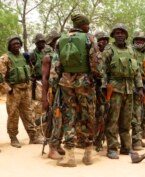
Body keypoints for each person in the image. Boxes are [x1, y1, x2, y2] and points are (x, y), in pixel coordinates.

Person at [56, 14, 99, 167]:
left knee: (69, 116)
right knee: (88, 115)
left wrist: (61, 80)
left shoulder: (60, 39)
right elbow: (95, 62)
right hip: (85, 83)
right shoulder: (89, 38)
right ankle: (87, 154)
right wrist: (96, 77)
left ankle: (70, 157)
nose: (89, 27)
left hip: (66, 83)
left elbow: (57, 65)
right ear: (82, 25)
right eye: (88, 24)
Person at [101, 23, 144, 159]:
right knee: (113, 120)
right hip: (114, 89)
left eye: (122, 32)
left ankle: (126, 147)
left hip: (129, 89)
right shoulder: (109, 50)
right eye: (117, 33)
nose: (120, 35)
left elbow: (137, 70)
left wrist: (140, 87)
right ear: (113, 35)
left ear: (126, 35)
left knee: (127, 120)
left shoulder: (131, 51)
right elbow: (103, 70)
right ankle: (112, 148)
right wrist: (103, 88)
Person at [0, 36, 43, 148]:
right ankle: (13, 137)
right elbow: (1, 76)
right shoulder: (5, 58)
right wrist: (8, 89)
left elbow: (30, 70)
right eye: (14, 44)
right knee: (13, 114)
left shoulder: (24, 56)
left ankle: (33, 136)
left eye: (18, 44)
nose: (17, 46)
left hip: (25, 88)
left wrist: (29, 61)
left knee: (28, 113)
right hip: (14, 90)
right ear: (10, 46)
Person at [41, 30, 66, 160]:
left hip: (64, 91)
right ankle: (52, 147)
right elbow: (44, 78)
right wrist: (44, 98)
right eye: (56, 41)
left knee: (63, 119)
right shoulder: (48, 57)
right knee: (56, 119)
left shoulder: (63, 55)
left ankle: (57, 143)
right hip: (54, 92)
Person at [131, 31, 145, 151]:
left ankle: (139, 137)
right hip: (134, 86)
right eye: (137, 40)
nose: (139, 42)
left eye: (141, 40)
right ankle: (135, 141)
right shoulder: (131, 52)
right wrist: (138, 87)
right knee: (136, 114)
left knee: (144, 113)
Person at [93, 31, 109, 151]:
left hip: (107, 90)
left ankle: (102, 140)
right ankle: (95, 140)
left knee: (107, 115)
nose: (103, 42)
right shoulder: (93, 54)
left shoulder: (109, 54)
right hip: (94, 89)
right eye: (100, 40)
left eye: (105, 40)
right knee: (97, 115)